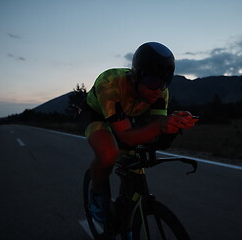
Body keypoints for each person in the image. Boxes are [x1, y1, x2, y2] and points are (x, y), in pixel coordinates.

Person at [85, 42, 199, 222]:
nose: (158, 90)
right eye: (153, 82)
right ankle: (97, 195)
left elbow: (155, 131)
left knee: (137, 167)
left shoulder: (160, 92)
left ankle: (126, 223)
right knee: (108, 154)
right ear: (136, 76)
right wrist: (160, 125)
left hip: (128, 117)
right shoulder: (110, 83)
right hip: (97, 115)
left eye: (164, 83)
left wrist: (172, 126)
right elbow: (126, 137)